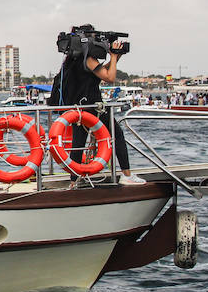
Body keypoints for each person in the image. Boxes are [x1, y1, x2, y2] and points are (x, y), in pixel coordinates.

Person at [48, 30, 142, 183]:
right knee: (117, 135)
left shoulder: (74, 60)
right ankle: (127, 175)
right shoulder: (89, 59)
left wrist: (117, 56)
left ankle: (74, 180)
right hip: (93, 107)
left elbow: (99, 72)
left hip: (79, 108)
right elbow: (109, 77)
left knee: (78, 144)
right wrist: (112, 56)